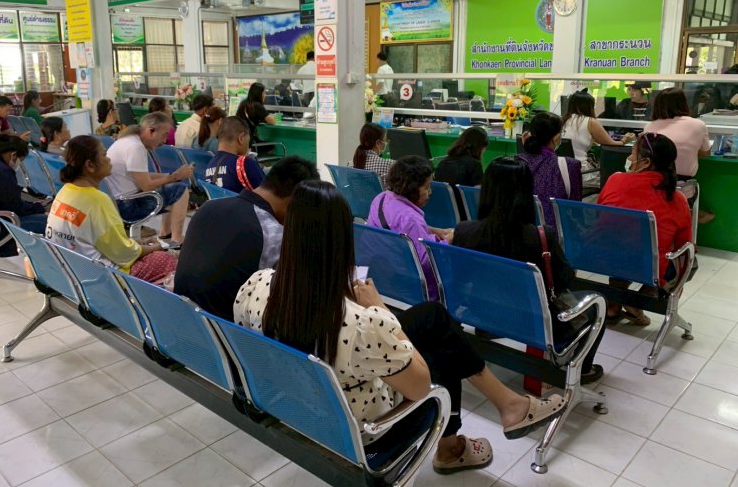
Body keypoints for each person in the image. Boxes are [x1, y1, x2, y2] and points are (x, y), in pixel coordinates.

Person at [234, 180, 567, 474]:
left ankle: (507, 406)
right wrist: (379, 309)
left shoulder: (256, 285)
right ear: (342, 241)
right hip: (370, 429)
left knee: (433, 317)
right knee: (442, 347)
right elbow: (420, 387)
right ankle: (460, 443)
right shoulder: (363, 324)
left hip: (302, 405)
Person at [453, 157, 605, 384]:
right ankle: (583, 369)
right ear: (525, 193)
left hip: (483, 314)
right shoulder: (542, 236)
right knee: (597, 304)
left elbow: (459, 276)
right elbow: (564, 280)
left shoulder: (464, 231)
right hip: (532, 322)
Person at [175, 156, 319, 319]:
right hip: (229, 329)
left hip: (180, 317)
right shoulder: (272, 233)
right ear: (293, 200)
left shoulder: (208, 207)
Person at [46, 136, 177, 285]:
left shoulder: (65, 191)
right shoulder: (97, 201)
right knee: (166, 259)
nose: (109, 159)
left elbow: (96, 241)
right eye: (104, 155)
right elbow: (124, 254)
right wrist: (156, 247)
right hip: (102, 278)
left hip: (71, 269)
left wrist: (137, 242)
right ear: (90, 165)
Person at [598, 133, 693, 325]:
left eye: (632, 154)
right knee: (687, 259)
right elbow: (684, 245)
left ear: (645, 162)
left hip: (601, 258)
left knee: (621, 243)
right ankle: (640, 300)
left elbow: (601, 217)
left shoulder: (615, 180)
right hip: (648, 267)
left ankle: (614, 305)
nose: (629, 159)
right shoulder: (677, 199)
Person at [366, 156, 453, 299]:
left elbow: (398, 227)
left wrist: (434, 230)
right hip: (409, 285)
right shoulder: (411, 218)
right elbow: (426, 262)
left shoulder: (381, 198)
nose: (430, 192)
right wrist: (449, 240)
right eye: (426, 187)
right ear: (412, 188)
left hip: (381, 275)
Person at [104, 112, 193, 248]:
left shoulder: (127, 141)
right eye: (164, 135)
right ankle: (177, 240)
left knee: (172, 187)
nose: (164, 140)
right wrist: (175, 177)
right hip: (128, 206)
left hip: (117, 203)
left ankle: (166, 233)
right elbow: (147, 186)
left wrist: (171, 175)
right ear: (151, 131)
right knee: (180, 190)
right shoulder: (135, 147)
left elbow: (141, 175)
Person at [518, 112, 582, 227]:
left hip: (519, 232)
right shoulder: (569, 166)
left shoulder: (515, 163)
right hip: (556, 234)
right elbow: (576, 211)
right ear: (556, 138)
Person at [644, 87, 710, 179]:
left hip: (654, 180)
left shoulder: (649, 127)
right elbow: (705, 153)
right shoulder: (698, 125)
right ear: (683, 103)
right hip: (683, 182)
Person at [562, 90, 634, 169]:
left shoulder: (563, 120)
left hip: (562, 166)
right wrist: (624, 140)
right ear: (589, 106)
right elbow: (611, 143)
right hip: (580, 168)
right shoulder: (590, 122)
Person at [204, 116, 265, 192]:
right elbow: (268, 193)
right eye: (248, 141)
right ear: (241, 138)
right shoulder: (243, 163)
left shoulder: (210, 165)